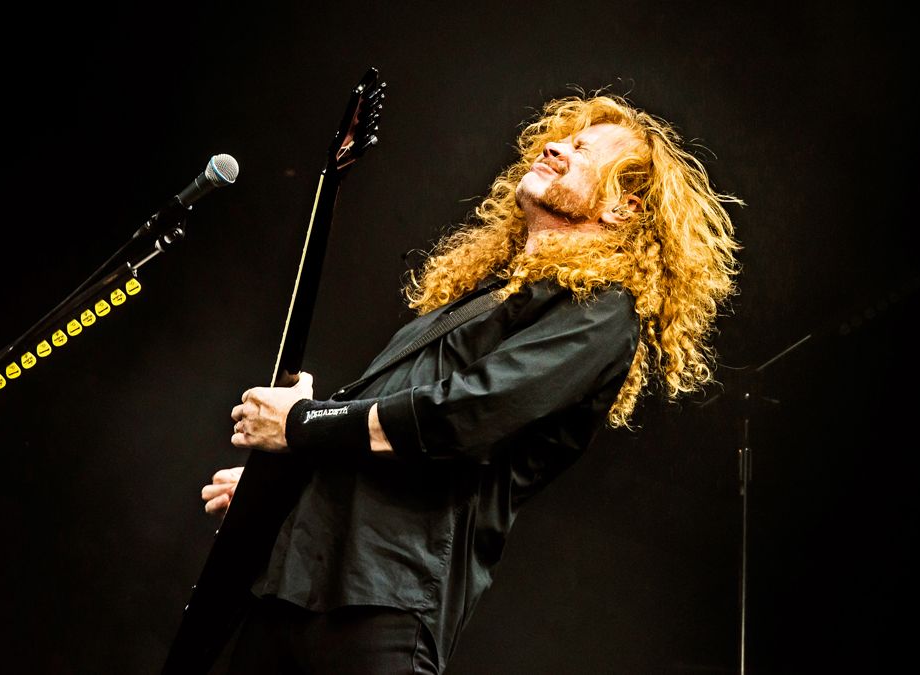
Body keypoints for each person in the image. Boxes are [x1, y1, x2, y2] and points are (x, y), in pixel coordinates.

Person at [202, 94, 741, 674]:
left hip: (383, 602)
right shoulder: (479, 299)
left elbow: (460, 416)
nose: (553, 147)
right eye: (559, 140)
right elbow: (375, 427)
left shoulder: (603, 312)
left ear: (622, 208)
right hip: (290, 586)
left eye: (583, 151)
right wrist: (288, 488)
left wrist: (300, 424)